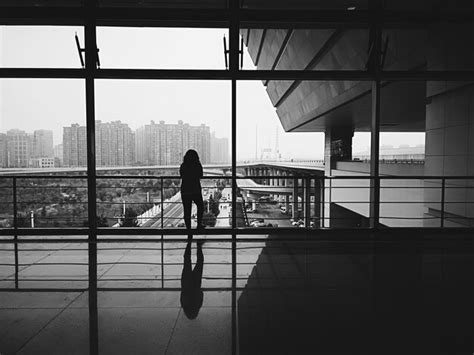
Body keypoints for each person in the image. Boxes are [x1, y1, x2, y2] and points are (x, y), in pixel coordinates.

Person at [180, 149, 204, 232]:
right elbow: (201, 174)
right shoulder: (197, 165)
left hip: (185, 190)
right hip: (195, 189)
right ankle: (199, 225)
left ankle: (189, 230)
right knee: (200, 206)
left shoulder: (183, 165)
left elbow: (182, 175)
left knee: (187, 210)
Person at [180, 240, 204, 319]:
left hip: (196, 283)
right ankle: (189, 244)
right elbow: (182, 294)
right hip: (186, 282)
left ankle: (198, 246)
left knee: (199, 262)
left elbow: (201, 295)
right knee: (187, 260)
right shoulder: (184, 304)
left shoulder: (197, 305)